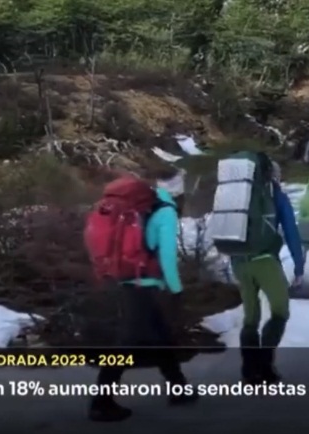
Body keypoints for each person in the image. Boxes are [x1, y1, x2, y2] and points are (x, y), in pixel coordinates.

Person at [85, 167, 197, 422]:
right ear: (179, 195)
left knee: (160, 335)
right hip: (142, 283)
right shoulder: (164, 212)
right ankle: (101, 402)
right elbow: (168, 257)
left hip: (125, 278)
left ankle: (178, 387)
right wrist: (177, 289)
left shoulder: (140, 205)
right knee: (127, 342)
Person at [229, 160, 304, 384]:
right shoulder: (276, 196)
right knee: (280, 312)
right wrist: (299, 266)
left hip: (239, 261)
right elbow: (291, 231)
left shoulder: (237, 195)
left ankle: (248, 371)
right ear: (273, 175)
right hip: (265, 261)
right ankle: (265, 365)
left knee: (250, 318)